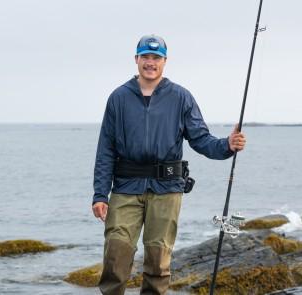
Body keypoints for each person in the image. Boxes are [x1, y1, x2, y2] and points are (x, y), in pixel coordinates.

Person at [91, 34, 246, 295]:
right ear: (136, 59)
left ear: (165, 61)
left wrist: (227, 146)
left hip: (167, 189)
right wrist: (100, 194)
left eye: (156, 58)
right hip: (126, 188)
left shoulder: (181, 97)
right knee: (116, 256)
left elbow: (201, 139)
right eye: (146, 57)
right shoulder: (118, 97)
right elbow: (105, 149)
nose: (150, 63)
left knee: (158, 261)